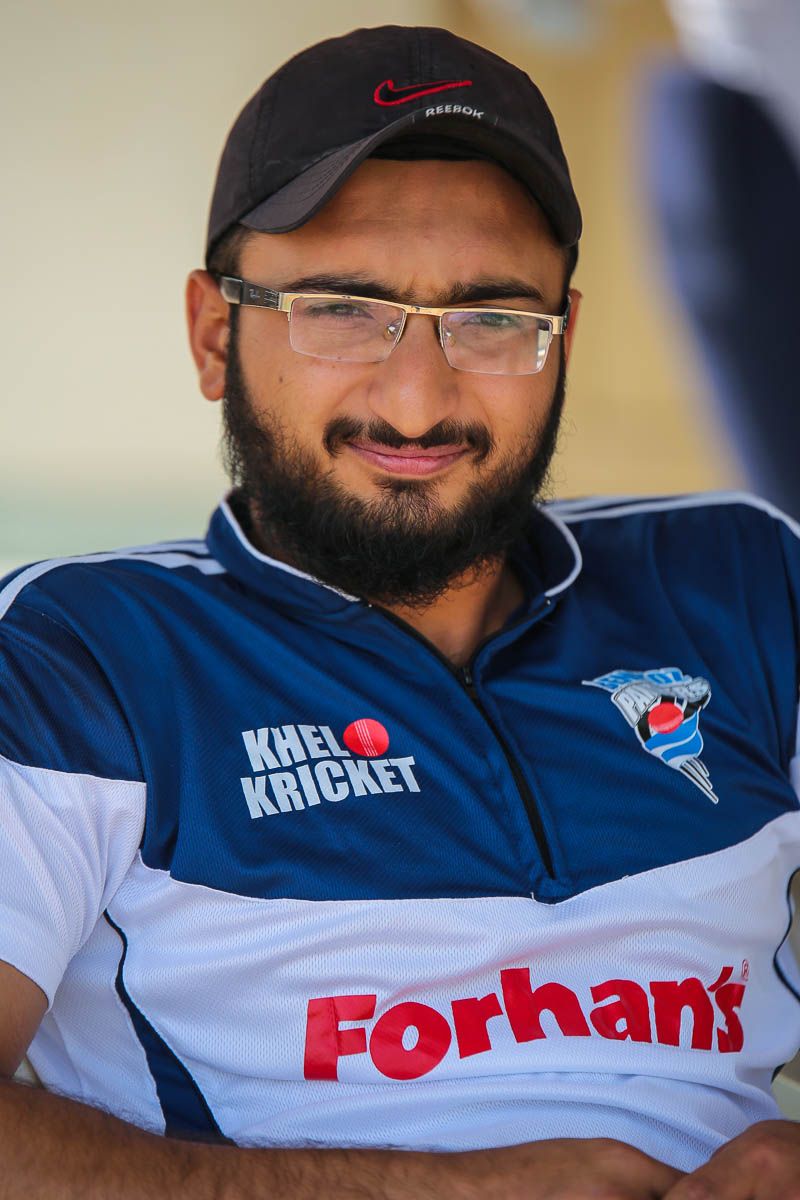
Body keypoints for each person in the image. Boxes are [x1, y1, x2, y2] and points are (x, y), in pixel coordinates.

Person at [0, 24, 799, 1200]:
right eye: (340, 309)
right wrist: (442, 1189)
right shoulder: (79, 656)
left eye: (492, 319)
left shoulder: (740, 577)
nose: (417, 401)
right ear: (215, 335)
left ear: (562, 340)